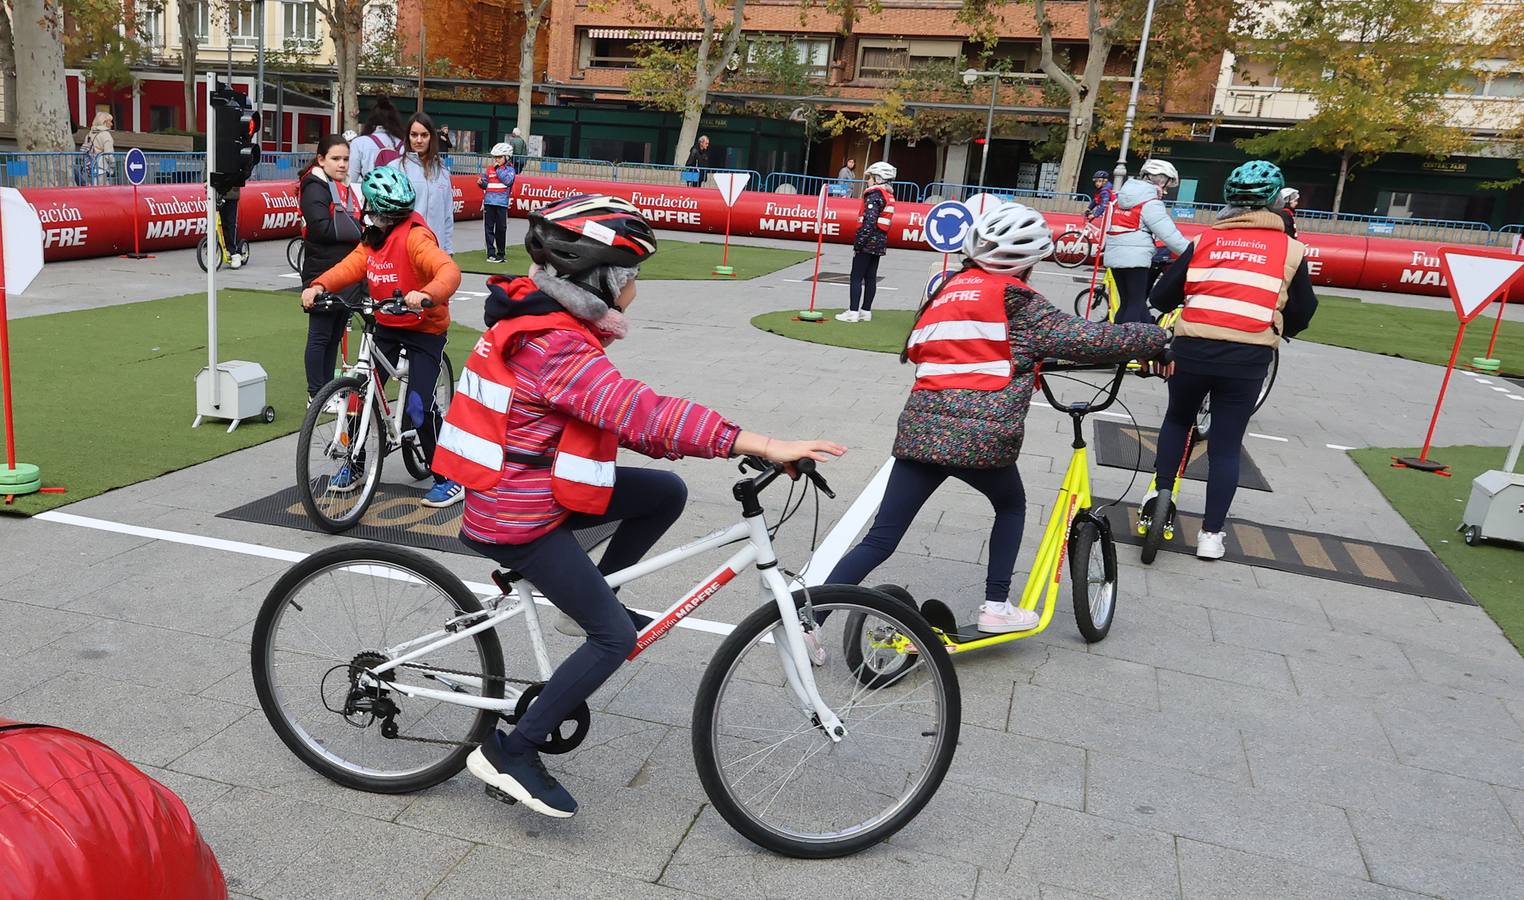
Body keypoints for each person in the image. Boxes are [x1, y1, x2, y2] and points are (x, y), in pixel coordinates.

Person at [431, 194, 845, 818]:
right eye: (630, 275)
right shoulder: (555, 345)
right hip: (515, 512)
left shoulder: (548, 323)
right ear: (598, 276)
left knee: (664, 493)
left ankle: (590, 598)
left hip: (529, 487)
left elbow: (610, 414)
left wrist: (714, 441)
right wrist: (756, 441)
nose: (635, 289)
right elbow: (637, 411)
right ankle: (512, 750)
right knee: (614, 636)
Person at [825, 202, 1167, 632]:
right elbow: (1090, 339)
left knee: (880, 538)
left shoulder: (946, 289)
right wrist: (1158, 338)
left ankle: (805, 620)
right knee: (1010, 504)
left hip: (921, 431)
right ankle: (996, 607)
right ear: (1028, 263)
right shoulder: (1018, 301)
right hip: (979, 439)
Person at [1143, 160, 1318, 560]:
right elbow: (1304, 310)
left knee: (1176, 421)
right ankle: (1211, 535)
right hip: (1249, 355)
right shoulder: (1292, 249)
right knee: (1225, 445)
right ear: (1275, 202)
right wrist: (1283, 325)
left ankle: (1161, 498)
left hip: (1193, 348)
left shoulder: (1205, 240)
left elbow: (1163, 296)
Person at [300, 167, 466, 508]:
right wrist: (318, 286)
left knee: (419, 407)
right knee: (360, 391)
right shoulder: (371, 238)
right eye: (382, 215)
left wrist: (427, 293)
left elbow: (448, 270)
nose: (387, 222)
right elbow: (351, 266)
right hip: (387, 322)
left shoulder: (415, 237)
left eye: (393, 217)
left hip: (424, 327)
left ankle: (447, 477)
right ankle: (355, 464)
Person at [297, 135, 365, 402]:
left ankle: (326, 391)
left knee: (335, 334)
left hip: (342, 270)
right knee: (320, 334)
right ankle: (316, 393)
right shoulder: (315, 187)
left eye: (346, 159)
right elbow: (322, 228)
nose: (342, 164)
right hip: (322, 270)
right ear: (321, 159)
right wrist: (359, 230)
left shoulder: (340, 186)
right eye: (336, 159)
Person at [1102, 159, 1191, 324]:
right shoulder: (1150, 204)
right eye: (1166, 185)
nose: (1165, 191)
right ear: (1161, 180)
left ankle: (1133, 338)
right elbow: (1169, 235)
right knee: (1135, 304)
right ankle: (1130, 345)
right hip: (1136, 259)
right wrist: (1192, 252)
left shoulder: (1123, 197)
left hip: (1115, 256)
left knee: (1127, 303)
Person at [837, 161, 897, 323]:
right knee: (871, 277)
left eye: (870, 177)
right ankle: (865, 311)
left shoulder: (874, 195)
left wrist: (859, 243)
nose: (868, 180)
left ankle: (853, 312)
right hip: (879, 242)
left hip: (868, 241)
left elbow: (869, 221)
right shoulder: (888, 195)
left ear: (878, 178)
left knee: (856, 276)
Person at [397, 111, 456, 255]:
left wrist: (447, 249)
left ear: (431, 137)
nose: (419, 140)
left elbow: (447, 214)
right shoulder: (396, 168)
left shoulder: (442, 170)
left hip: (435, 250)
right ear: (408, 137)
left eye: (424, 135)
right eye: (414, 135)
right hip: (406, 250)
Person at [478, 142, 516, 263]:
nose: (497, 160)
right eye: (496, 157)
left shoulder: (510, 170)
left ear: (506, 157)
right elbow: (485, 183)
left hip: (501, 204)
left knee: (501, 229)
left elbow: (507, 181)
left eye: (499, 157)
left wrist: (498, 169)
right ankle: (490, 253)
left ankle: (501, 253)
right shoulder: (489, 169)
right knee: (488, 228)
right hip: (489, 203)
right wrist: (481, 183)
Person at [351, 98, 405, 183]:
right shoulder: (404, 145)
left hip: (369, 193)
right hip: (398, 194)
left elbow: (351, 178)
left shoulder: (359, 143)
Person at [81, 111, 115, 186]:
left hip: (88, 168)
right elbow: (109, 155)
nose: (111, 124)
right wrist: (112, 166)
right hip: (100, 168)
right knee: (103, 192)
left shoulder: (89, 134)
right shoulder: (106, 135)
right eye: (110, 121)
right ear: (104, 122)